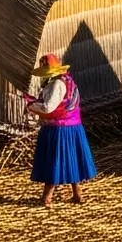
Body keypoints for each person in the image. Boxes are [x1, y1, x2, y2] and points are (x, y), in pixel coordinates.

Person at [20, 53, 96, 206]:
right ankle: (77, 195)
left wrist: (31, 105)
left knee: (54, 161)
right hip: (74, 127)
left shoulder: (56, 85)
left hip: (59, 129)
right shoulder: (69, 82)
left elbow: (48, 107)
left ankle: (46, 198)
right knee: (72, 159)